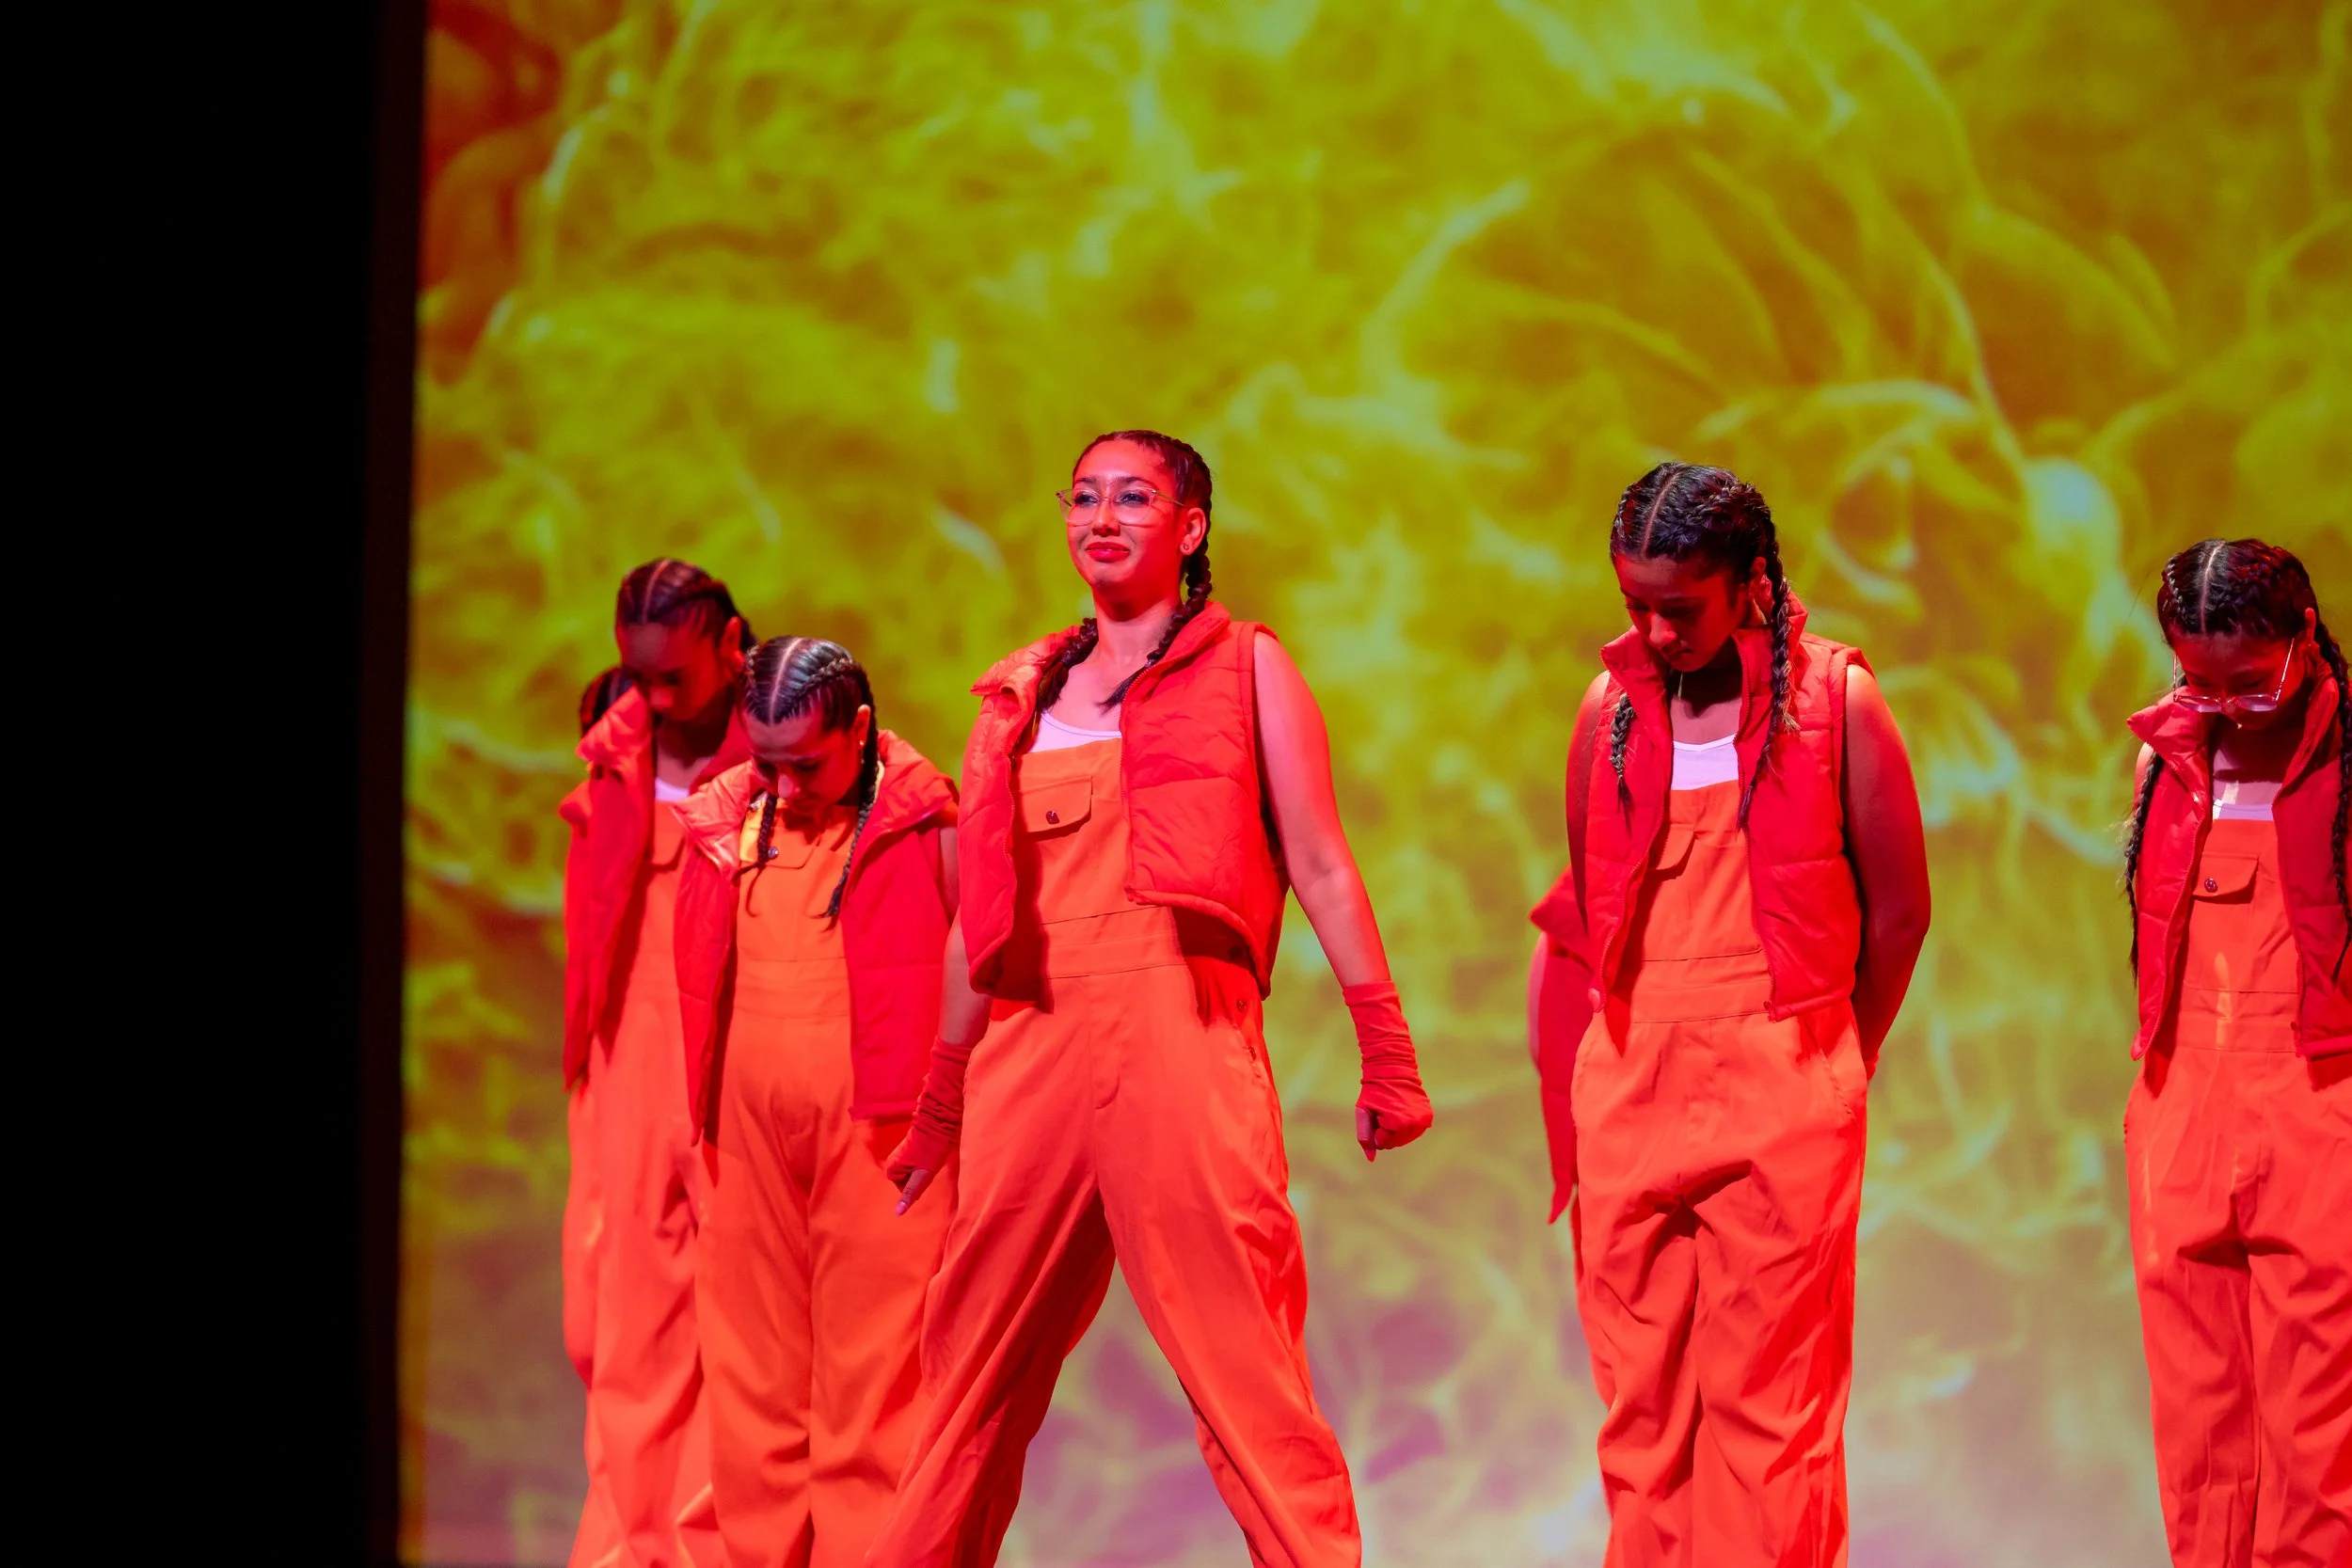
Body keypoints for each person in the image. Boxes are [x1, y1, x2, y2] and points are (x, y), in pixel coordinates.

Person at [866, 430, 1435, 1567]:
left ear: (1191, 526)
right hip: (1032, 1050)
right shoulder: (1016, 698)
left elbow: (1319, 859)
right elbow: (978, 918)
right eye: (1083, 496)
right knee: (964, 1367)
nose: (1103, 517)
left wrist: (1385, 1043)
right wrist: (940, 1096)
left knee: (1244, 1370)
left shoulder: (1246, 665)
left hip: (1185, 1029)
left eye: (1134, 496)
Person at [1529, 462, 1931, 1567]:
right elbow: (1586, 914)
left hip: (1784, 1071)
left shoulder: (1836, 701)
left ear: (1752, 582)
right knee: (1642, 1415)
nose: (1655, 633)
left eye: (1680, 608)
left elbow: (1899, 913)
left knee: (1772, 1415)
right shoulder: (1605, 711)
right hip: (1631, 1076)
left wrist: (1834, 1055)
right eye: (1635, 607)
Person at [669, 637, 961, 1568]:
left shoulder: (929, 824)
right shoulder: (722, 826)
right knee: (750, 1379)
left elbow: (979, 980)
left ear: (862, 730)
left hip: (881, 1133)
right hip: (744, 1129)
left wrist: (950, 1117)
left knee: (877, 1383)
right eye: (766, 761)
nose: (785, 785)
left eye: (808, 763)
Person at [2121, 538, 2349, 1568]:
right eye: (2196, 680)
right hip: (2181, 1105)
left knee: (2320, 1423)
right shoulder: (2166, 760)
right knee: (2199, 1416)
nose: (2222, 705)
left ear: (2304, 639)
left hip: (2321, 1104)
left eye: (2248, 684)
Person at [559, 559, 752, 1568]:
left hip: (742, 1039)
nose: (654, 694)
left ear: (729, 646)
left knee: (740, 1326)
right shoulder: (615, 732)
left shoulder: (784, 732)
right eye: (638, 671)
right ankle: (623, 1548)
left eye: (674, 675)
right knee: (620, 1323)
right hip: (630, 1038)